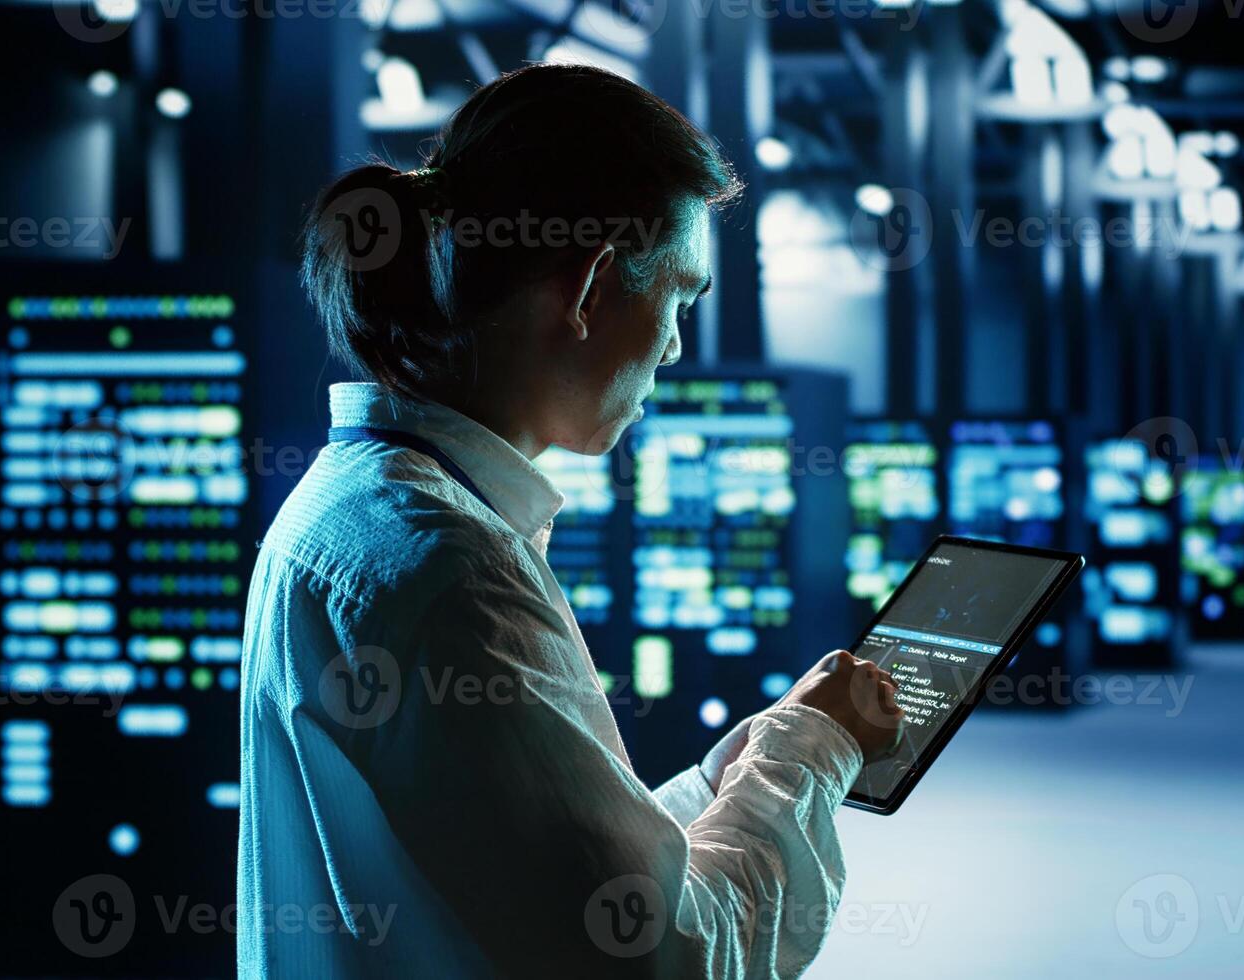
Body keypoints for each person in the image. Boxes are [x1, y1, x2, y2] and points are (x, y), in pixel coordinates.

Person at [237, 63, 904, 978]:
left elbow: (530, 877)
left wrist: (726, 781)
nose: (675, 346)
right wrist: (812, 751)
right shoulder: (457, 576)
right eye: (679, 298)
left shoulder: (356, 505)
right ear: (590, 288)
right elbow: (669, 955)